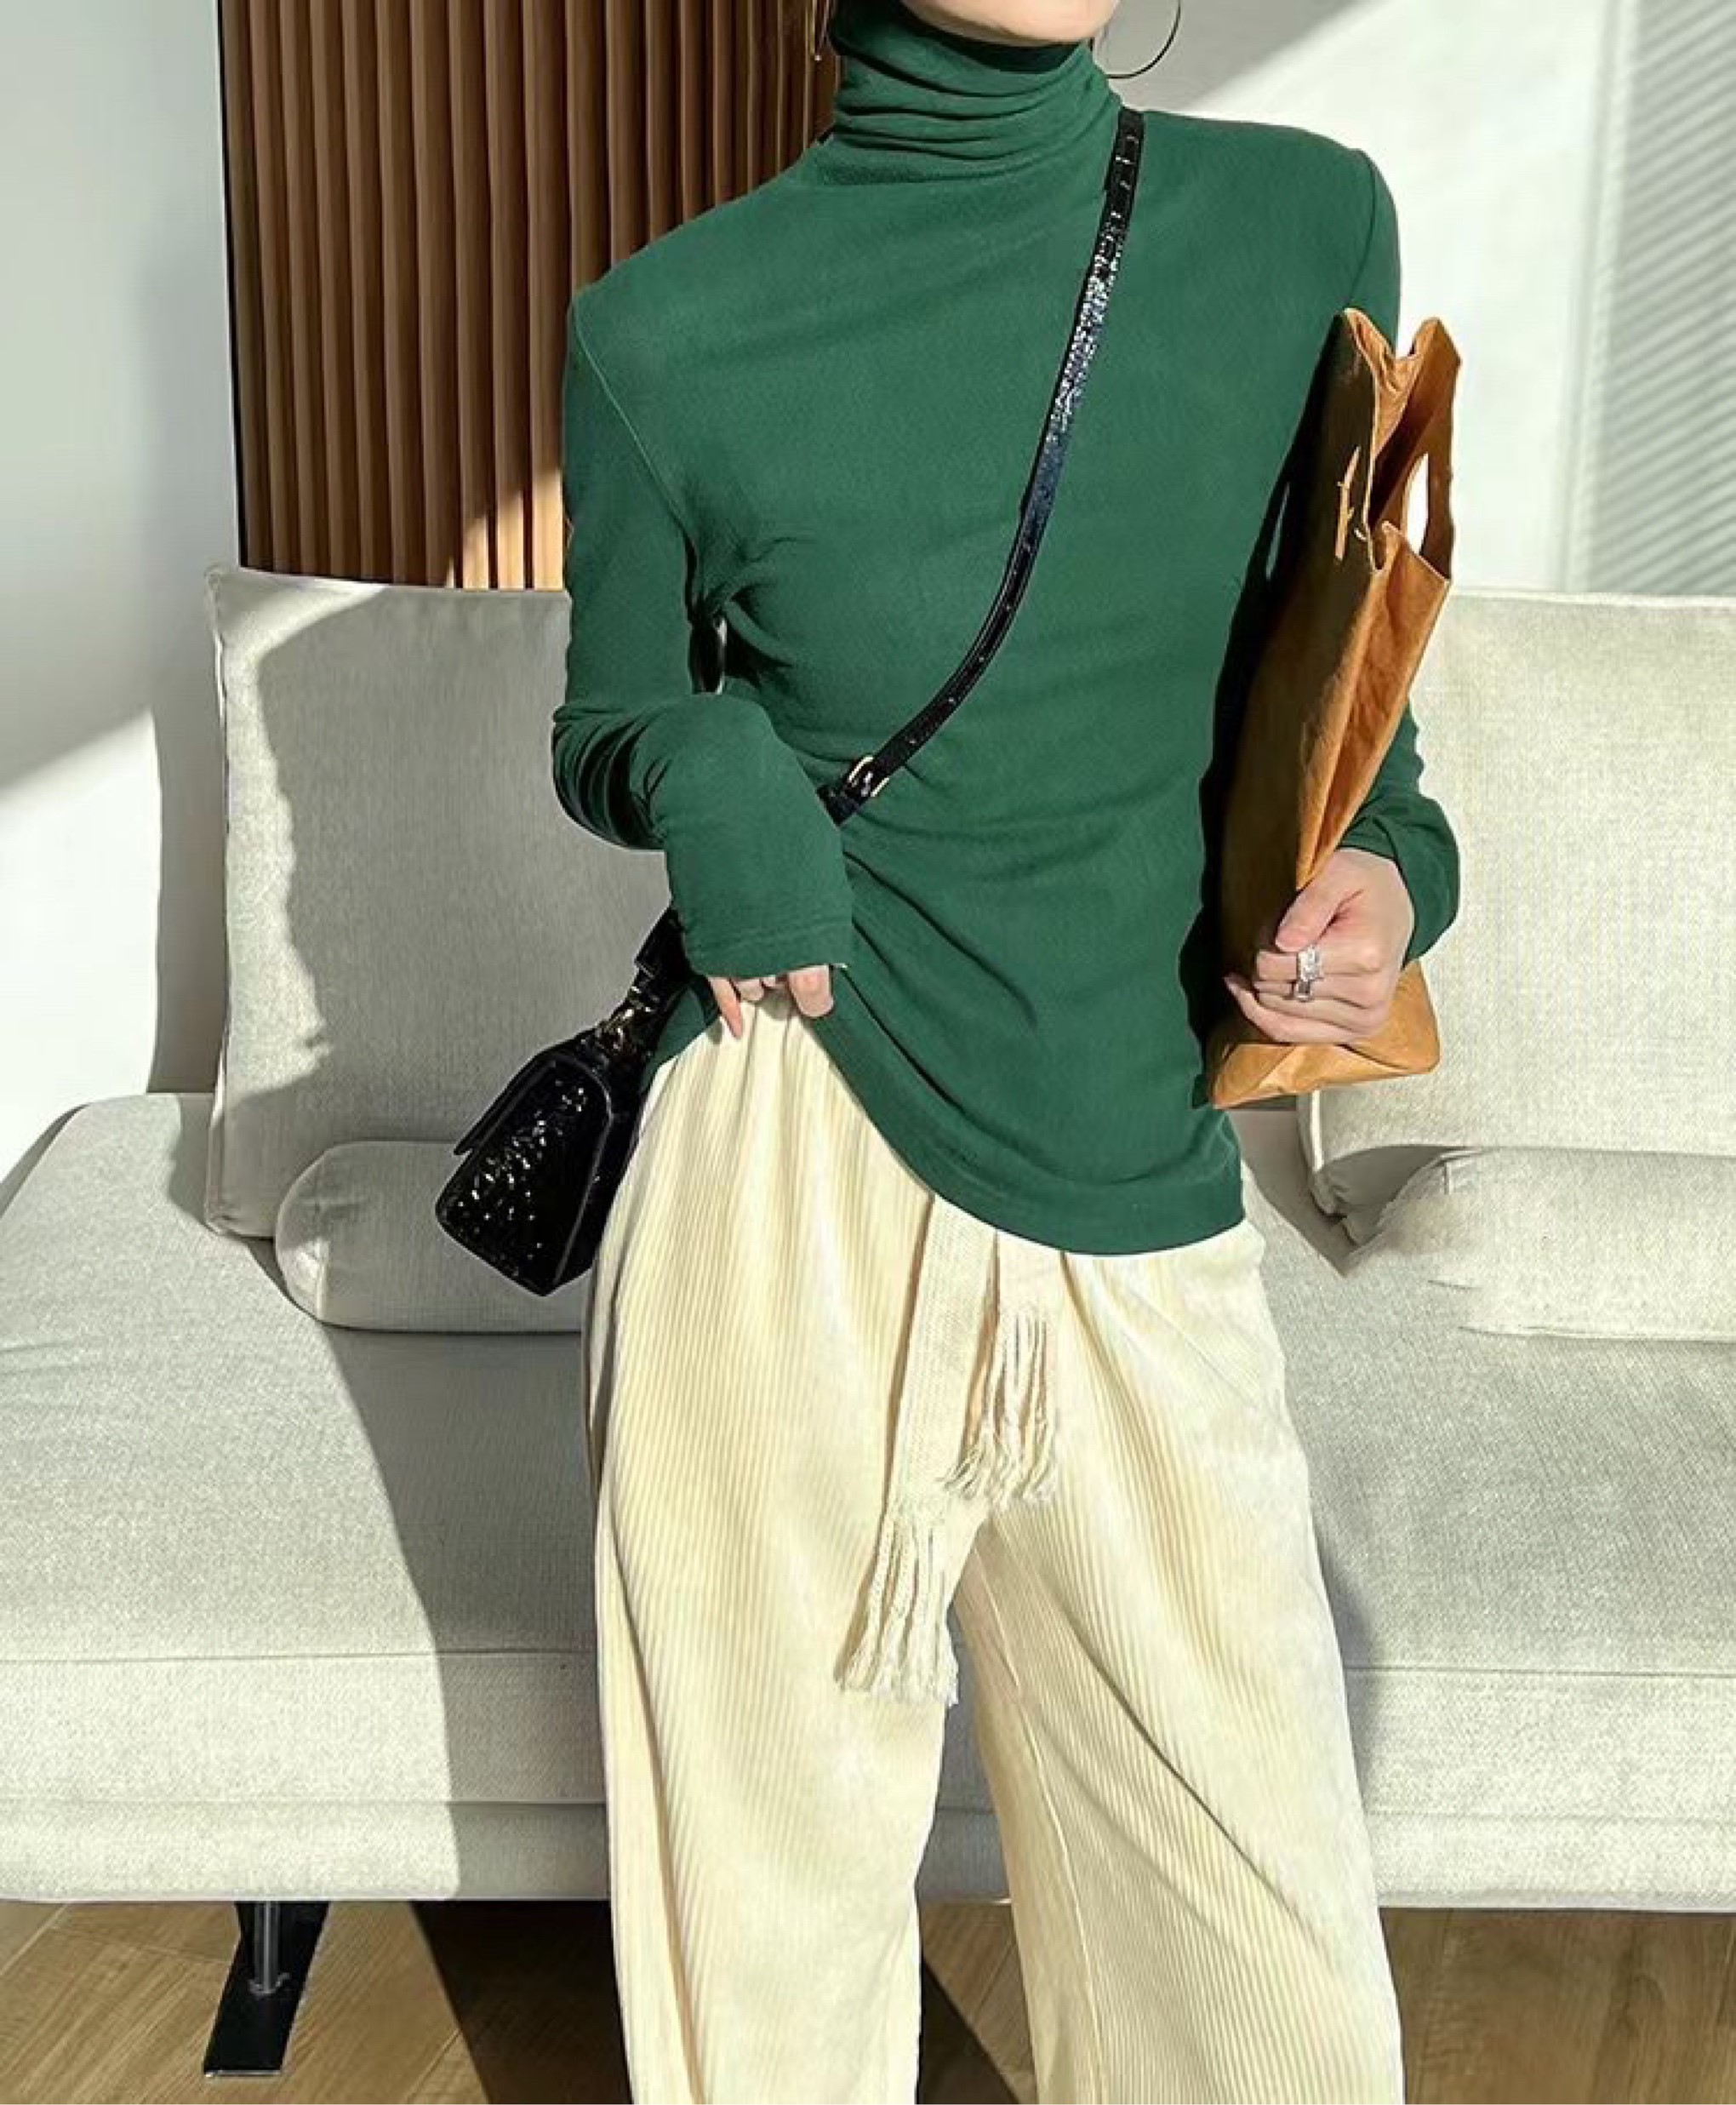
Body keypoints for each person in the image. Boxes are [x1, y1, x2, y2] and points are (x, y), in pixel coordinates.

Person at [552, 0, 1459, 2097]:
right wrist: (708, 763)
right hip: (781, 1155)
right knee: (763, 1971)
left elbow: (1351, 731)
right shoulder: (659, 332)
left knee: (1273, 2009)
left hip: (1133, 1157)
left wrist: (1388, 885)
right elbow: (607, 721)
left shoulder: (1298, 231)